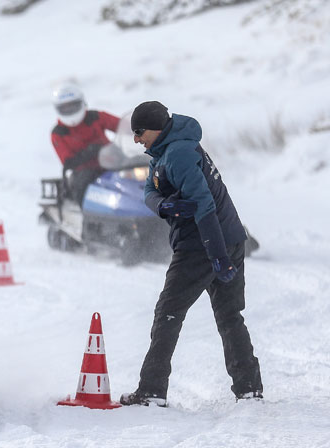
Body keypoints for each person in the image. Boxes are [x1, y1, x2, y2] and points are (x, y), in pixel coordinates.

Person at [120, 101, 262, 406]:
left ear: (156, 127)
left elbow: (205, 206)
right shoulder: (167, 150)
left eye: (139, 132)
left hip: (204, 242)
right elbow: (147, 192)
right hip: (229, 237)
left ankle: (152, 391)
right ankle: (249, 386)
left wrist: (217, 256)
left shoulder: (179, 154)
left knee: (167, 313)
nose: (136, 139)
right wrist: (163, 205)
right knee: (229, 315)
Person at [50, 85, 120, 205]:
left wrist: (141, 130)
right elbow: (68, 162)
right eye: (65, 108)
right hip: (84, 171)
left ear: (82, 103)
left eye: (73, 105)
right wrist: (92, 151)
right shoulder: (58, 132)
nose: (70, 110)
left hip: (113, 161)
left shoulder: (96, 116)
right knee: (83, 187)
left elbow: (121, 125)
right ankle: (87, 219)